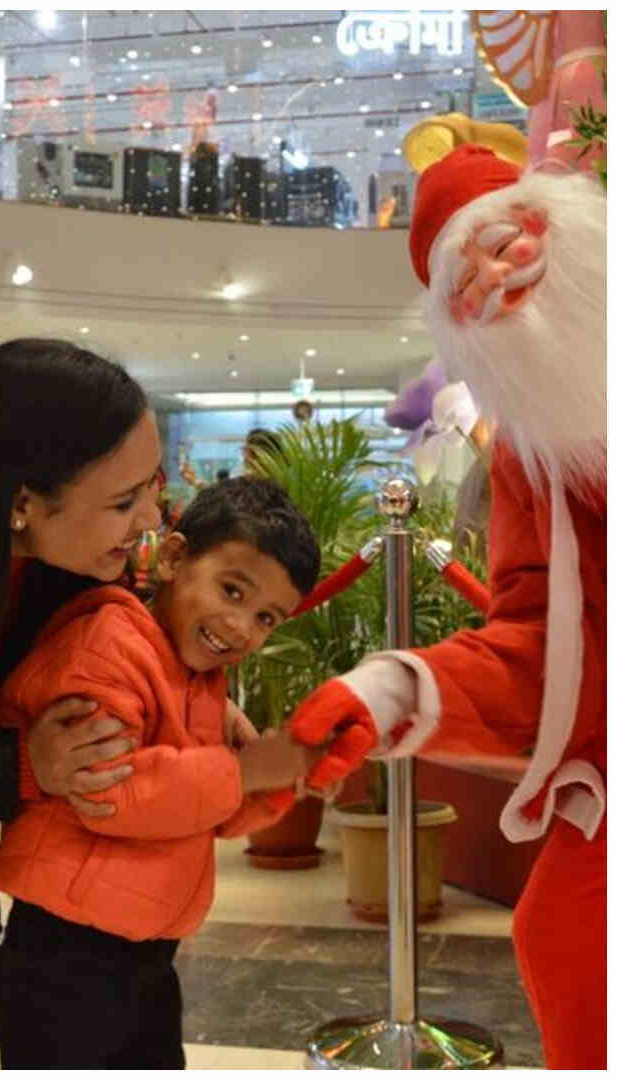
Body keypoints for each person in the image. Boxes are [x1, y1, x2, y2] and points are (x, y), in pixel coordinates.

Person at [288, 146, 606, 1068]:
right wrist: (393, 688)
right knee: (566, 935)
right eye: (474, 283)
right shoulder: (535, 460)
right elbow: (546, 649)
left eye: (514, 250)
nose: (508, 284)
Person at [0, 476, 322, 1068]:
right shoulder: (106, 645)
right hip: (67, 954)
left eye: (268, 618)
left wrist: (280, 783)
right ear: (172, 557)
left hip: (145, 951)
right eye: (232, 591)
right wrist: (242, 772)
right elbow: (111, 790)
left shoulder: (195, 673)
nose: (242, 627)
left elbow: (201, 811)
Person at [0, 339, 174, 1069]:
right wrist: (24, 764)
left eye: (150, 485)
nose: (150, 518)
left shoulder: (63, 564)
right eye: (124, 501)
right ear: (23, 503)